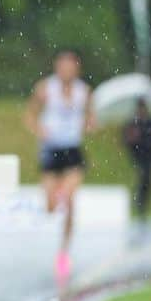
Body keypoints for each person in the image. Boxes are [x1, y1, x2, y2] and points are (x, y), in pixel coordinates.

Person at [24, 49, 96, 283]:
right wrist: (39, 130)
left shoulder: (84, 92)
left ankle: (63, 253)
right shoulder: (46, 89)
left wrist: (90, 125)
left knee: (70, 198)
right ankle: (58, 197)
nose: (66, 70)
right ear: (57, 67)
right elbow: (29, 116)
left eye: (70, 66)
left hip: (72, 149)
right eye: (62, 66)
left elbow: (90, 118)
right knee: (51, 206)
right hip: (51, 149)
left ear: (77, 68)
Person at [122, 98, 151, 219]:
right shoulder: (133, 123)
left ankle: (142, 204)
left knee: (147, 180)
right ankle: (139, 203)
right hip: (138, 156)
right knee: (142, 178)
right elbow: (127, 140)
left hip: (149, 156)